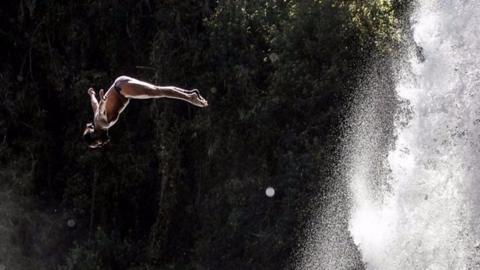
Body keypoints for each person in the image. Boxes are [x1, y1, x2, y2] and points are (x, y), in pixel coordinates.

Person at [83, 76, 208, 148]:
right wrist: (91, 95)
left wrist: (103, 100)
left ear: (95, 136)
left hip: (122, 90)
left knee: (158, 92)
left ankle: (189, 97)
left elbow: (100, 110)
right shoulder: (97, 122)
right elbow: (95, 106)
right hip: (121, 85)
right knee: (158, 91)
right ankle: (189, 94)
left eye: (97, 143)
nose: (100, 144)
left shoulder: (101, 123)